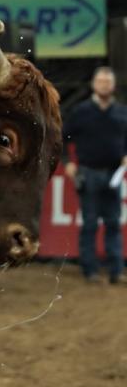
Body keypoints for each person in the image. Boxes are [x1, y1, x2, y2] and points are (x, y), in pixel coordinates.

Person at [63, 67, 127, 284]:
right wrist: (68, 163)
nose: (104, 85)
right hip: (88, 173)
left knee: (113, 224)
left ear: (113, 85)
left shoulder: (122, 113)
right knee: (89, 224)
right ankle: (90, 271)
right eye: (100, 81)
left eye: (108, 82)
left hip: (114, 176)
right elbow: (62, 138)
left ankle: (115, 271)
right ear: (93, 85)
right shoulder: (81, 111)